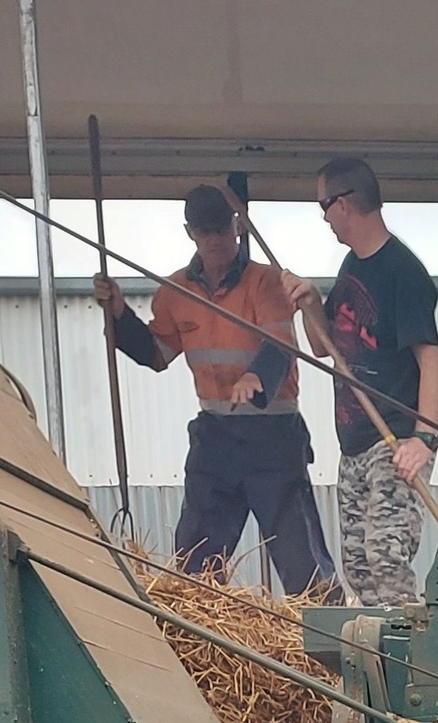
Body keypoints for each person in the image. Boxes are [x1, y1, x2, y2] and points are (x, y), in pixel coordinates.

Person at [93, 185, 334, 594]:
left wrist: (255, 379)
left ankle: (327, 632)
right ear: (190, 233)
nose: (216, 240)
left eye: (222, 229)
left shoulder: (267, 282)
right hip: (215, 435)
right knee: (194, 564)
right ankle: (194, 643)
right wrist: (118, 313)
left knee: (301, 558)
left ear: (236, 226)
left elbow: (280, 343)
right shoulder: (173, 293)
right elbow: (155, 353)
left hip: (273, 432)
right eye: (205, 232)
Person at [286, 156, 438, 606]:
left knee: (385, 556)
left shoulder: (402, 272)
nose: (324, 218)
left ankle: (410, 662)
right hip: (353, 443)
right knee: (358, 566)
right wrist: (311, 303)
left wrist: (424, 440)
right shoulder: (351, 267)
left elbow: (431, 362)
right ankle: (377, 665)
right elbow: (326, 346)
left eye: (323, 206)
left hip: (393, 441)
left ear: (344, 204)